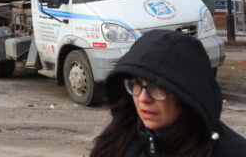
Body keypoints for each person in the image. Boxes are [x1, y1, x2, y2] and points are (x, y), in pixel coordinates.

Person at [90, 29, 246, 156]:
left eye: (157, 88)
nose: (143, 98)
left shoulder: (232, 151)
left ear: (187, 94)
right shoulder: (115, 144)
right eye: (136, 84)